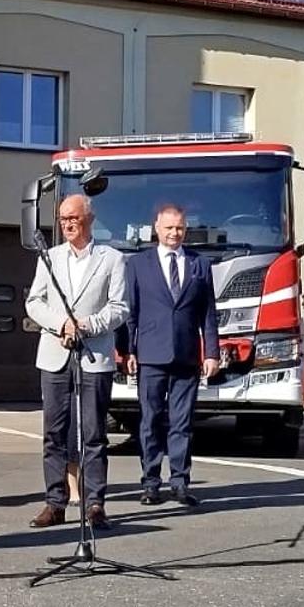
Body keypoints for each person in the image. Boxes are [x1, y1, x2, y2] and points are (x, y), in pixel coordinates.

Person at [24, 195, 128, 529]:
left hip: (93, 355)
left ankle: (94, 503)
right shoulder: (50, 257)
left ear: (89, 219)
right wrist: (59, 324)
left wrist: (87, 324)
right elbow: (34, 302)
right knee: (53, 433)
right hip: (55, 354)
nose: (68, 224)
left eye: (74, 218)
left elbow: (120, 307)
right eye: (63, 218)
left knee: (94, 434)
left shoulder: (112, 259)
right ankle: (55, 502)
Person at [119, 204, 218, 507]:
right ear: (156, 228)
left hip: (187, 356)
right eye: (169, 228)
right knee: (150, 422)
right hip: (150, 355)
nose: (175, 233)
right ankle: (150, 483)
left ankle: (180, 483)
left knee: (182, 423)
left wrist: (211, 353)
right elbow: (129, 312)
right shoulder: (138, 264)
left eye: (180, 228)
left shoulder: (200, 264)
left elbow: (208, 314)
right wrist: (128, 350)